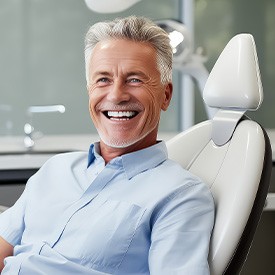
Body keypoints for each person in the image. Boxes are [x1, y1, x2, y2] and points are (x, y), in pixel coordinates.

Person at [0, 16, 214, 274]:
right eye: (103, 80)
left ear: (165, 96)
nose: (116, 95)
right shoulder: (55, 169)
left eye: (135, 79)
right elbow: (4, 249)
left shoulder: (180, 195)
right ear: (90, 91)